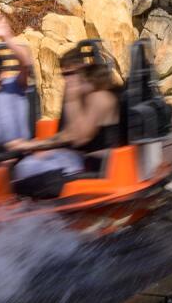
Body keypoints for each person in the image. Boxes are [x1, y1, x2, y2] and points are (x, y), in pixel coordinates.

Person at [10, 44, 122, 200]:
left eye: (71, 73)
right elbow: (66, 134)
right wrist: (37, 146)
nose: (67, 80)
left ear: (85, 70)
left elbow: (79, 137)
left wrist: (34, 145)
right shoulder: (78, 94)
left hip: (101, 166)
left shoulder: (100, 96)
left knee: (33, 175)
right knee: (22, 168)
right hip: (79, 159)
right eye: (64, 75)